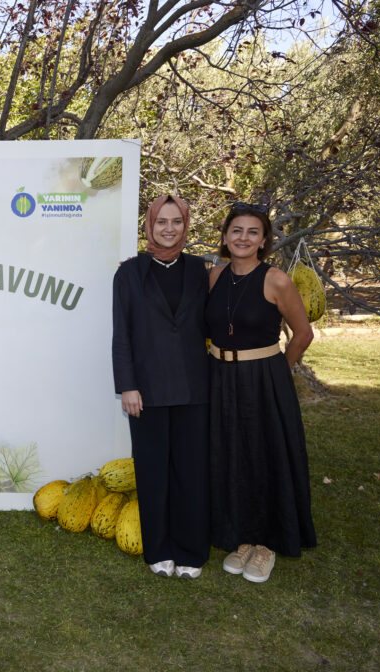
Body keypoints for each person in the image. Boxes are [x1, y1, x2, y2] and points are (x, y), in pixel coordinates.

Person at [206, 202, 316, 583]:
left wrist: (278, 373)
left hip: (264, 378)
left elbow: (303, 334)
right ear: (225, 237)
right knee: (231, 454)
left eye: (253, 232)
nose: (243, 238)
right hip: (220, 376)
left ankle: (267, 543)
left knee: (265, 455)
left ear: (264, 240)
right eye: (236, 230)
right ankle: (241, 537)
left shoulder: (276, 280)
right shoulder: (214, 276)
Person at [112, 195, 210, 579]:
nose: (169, 228)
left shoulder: (201, 270)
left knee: (191, 472)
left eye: (177, 221)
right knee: (153, 473)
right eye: (161, 222)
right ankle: (158, 548)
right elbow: (122, 334)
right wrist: (127, 386)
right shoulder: (129, 273)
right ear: (149, 226)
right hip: (146, 391)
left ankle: (190, 551)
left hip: (193, 388)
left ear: (186, 225)